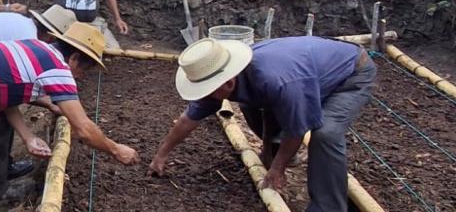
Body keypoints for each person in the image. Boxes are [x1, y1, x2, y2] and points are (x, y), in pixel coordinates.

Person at [0, 22, 139, 212]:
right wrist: (116, 150)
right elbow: (83, 129)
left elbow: (6, 93)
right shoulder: (57, 68)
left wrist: (28, 136)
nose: (80, 77)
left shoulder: (38, 48)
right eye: (84, 70)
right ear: (73, 58)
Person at [148, 36, 377, 212]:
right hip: (306, 75)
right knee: (251, 105)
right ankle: (280, 153)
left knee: (326, 133)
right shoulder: (229, 78)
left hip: (350, 75)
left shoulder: (277, 80)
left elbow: (296, 128)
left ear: (227, 83)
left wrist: (277, 169)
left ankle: (329, 207)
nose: (204, 96)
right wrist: (162, 154)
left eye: (206, 91)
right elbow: (190, 118)